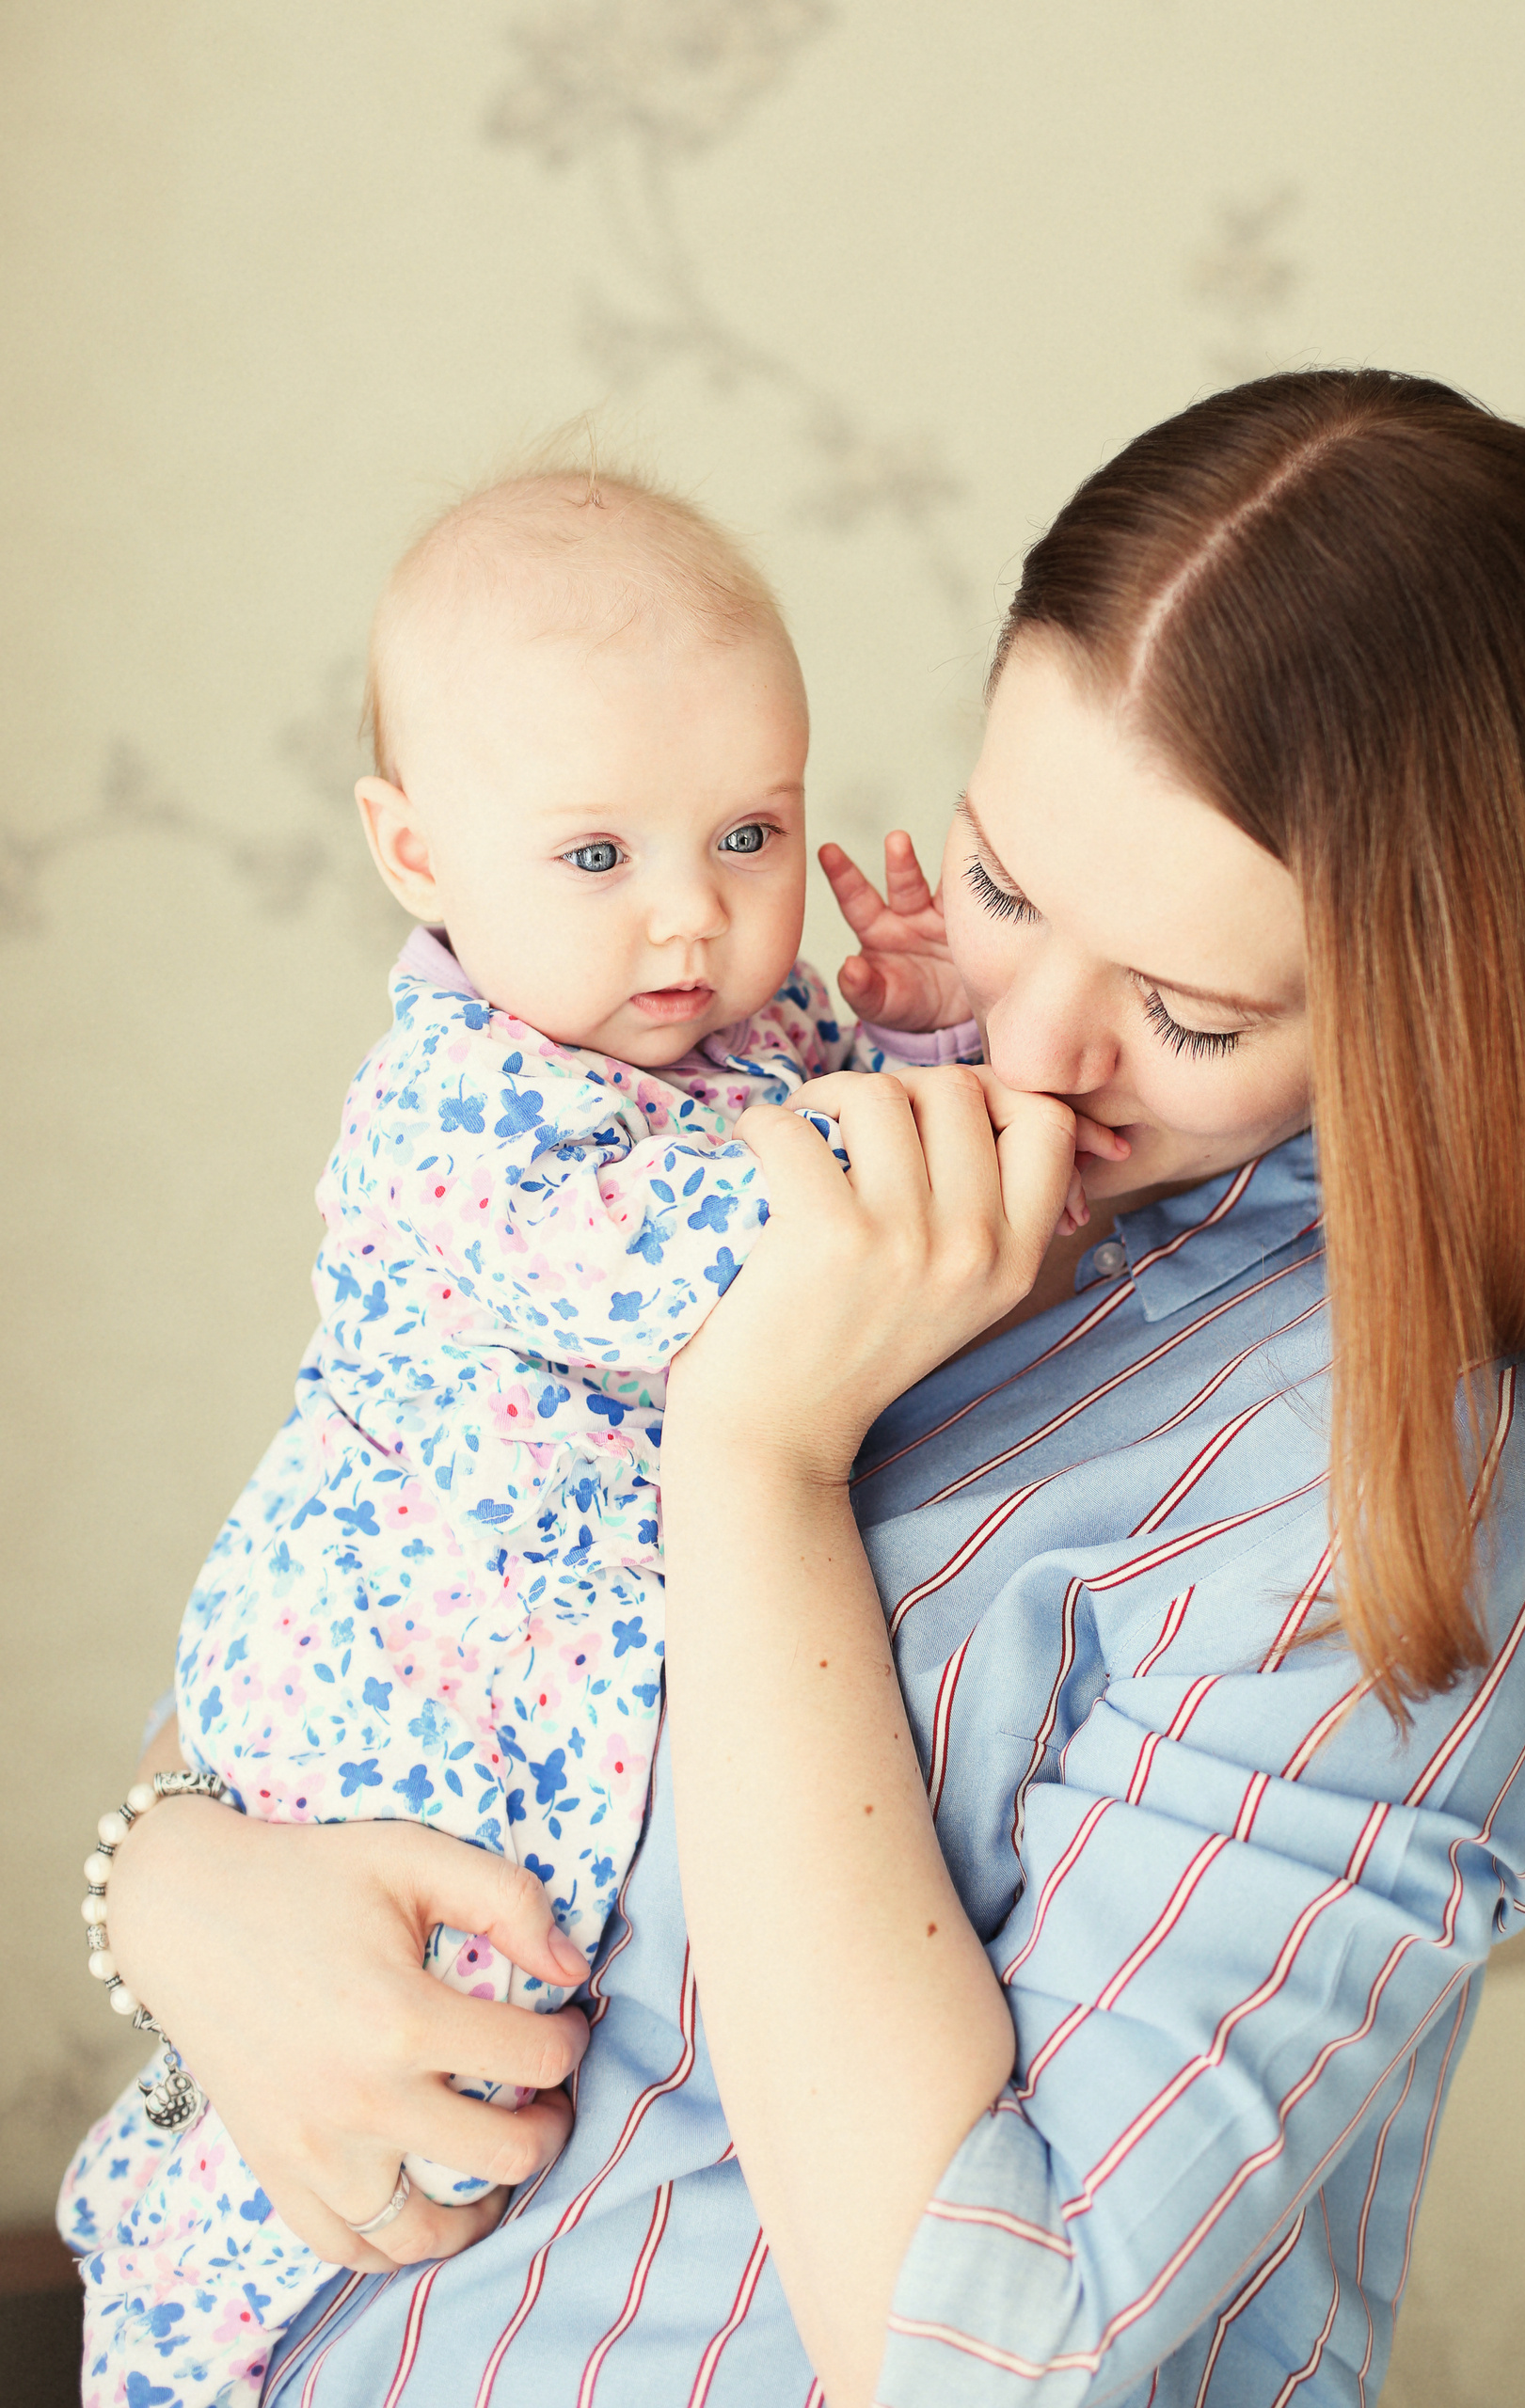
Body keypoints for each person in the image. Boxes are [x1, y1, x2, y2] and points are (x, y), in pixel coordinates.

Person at [87, 372, 1525, 2408]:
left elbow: (990, 2353)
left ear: (1451, 1009)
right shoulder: (828, 1116)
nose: (1034, 1047)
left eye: (1189, 1009)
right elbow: (413, 1568)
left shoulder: (1407, 1473)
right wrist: (173, 1881)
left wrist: (758, 1460)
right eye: (1002, 886)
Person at [58, 467, 1107, 2408]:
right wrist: (926, 1142)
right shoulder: (457, 1102)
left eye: (747, 833)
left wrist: (926, 1036)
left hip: (556, 1644)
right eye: (598, 852)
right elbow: (716, 1261)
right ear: (416, 851)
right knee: (370, 2064)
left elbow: (848, 1174)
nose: (690, 913)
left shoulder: (750, 1035)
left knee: (480, 2067)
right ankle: (178, 2330)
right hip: (409, 1647)